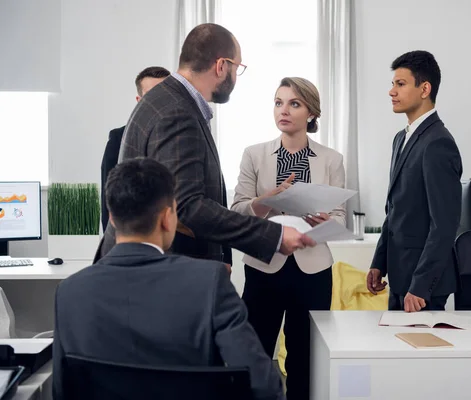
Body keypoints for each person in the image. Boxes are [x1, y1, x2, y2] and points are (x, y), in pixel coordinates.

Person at [53, 158, 284, 400]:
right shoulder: (208, 282)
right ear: (167, 217)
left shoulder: (69, 291)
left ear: (111, 217)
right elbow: (263, 385)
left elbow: (62, 390)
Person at [95, 23, 314, 265]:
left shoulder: (168, 99)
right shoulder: (177, 111)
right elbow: (187, 207)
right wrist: (274, 235)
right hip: (161, 269)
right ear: (221, 66)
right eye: (237, 67)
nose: (235, 77)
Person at [231, 77, 345, 400]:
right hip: (264, 265)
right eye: (279, 102)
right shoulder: (254, 155)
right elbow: (238, 209)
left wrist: (324, 223)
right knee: (254, 354)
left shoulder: (331, 159)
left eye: (294, 103)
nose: (284, 110)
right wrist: (268, 199)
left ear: (311, 113)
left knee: (305, 358)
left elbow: (339, 218)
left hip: (312, 271)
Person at [366, 50, 463, 312]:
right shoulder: (401, 138)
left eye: (400, 84)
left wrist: (420, 286)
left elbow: (444, 225)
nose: (391, 91)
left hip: (422, 288)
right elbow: (395, 209)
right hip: (400, 277)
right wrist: (379, 262)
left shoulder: (438, 143)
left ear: (425, 89)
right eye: (392, 84)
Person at [101, 66, 170, 232]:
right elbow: (109, 201)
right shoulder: (119, 139)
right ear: (140, 101)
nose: (159, 103)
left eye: (165, 95)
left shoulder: (188, 136)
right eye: (153, 96)